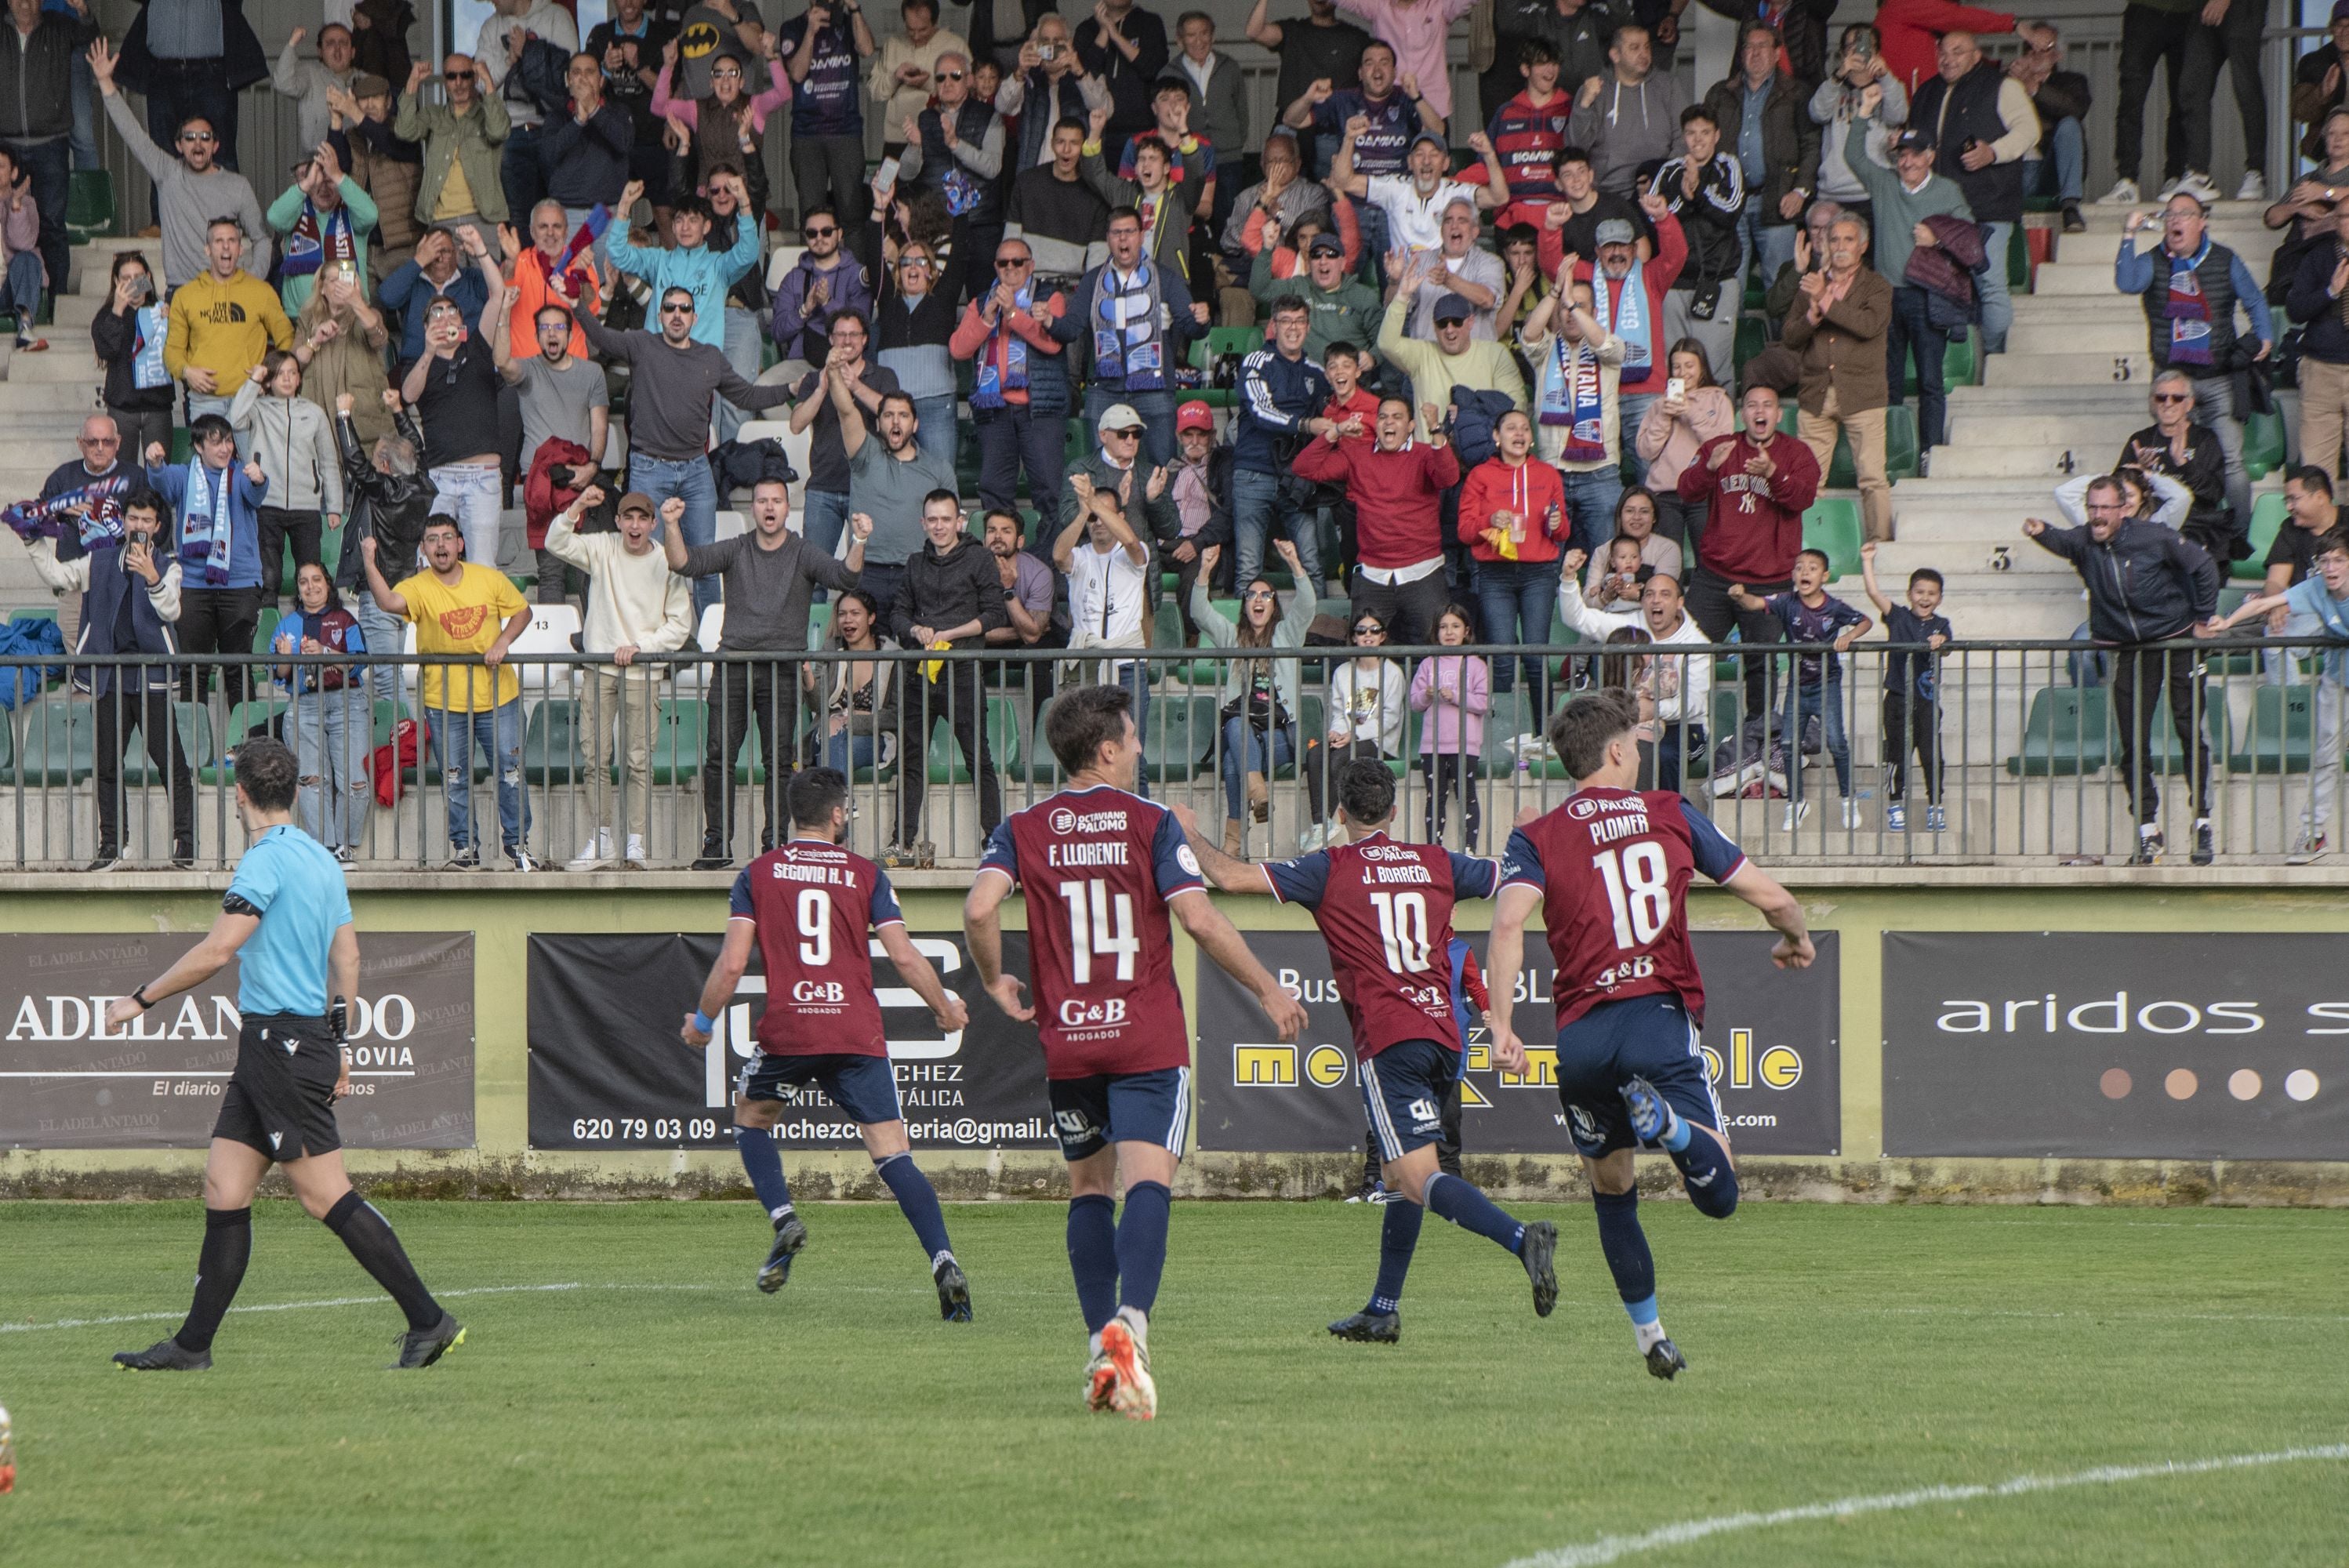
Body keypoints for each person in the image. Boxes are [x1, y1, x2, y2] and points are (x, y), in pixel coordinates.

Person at [964, 681, 1306, 1420]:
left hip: (1070, 1040)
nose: (1142, 750)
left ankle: (1099, 1346)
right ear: (1109, 750)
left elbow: (979, 907)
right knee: (1148, 1182)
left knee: (1088, 1189)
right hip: (1145, 1036)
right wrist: (1269, 991)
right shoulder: (1149, 821)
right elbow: (1201, 921)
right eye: (1134, 738)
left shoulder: (1022, 826)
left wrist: (994, 981)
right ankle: (1133, 1327)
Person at [106, 738, 463, 1374]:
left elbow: (219, 951)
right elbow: (348, 959)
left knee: (325, 1196)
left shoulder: (262, 863)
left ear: (239, 794)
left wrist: (142, 998)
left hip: (282, 1045)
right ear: (296, 792)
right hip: (283, 1045)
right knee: (224, 1185)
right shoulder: (322, 860)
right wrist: (342, 1044)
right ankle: (192, 1348)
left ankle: (428, 1320)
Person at [1487, 688, 1814, 1379]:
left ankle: (1651, 1339)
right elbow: (1773, 898)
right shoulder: (1667, 812)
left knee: (1611, 1191)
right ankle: (1668, 1125)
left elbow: (1510, 924)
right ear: (1614, 751)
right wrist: (1796, 938)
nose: (1639, 755)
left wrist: (1503, 1024)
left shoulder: (1536, 836)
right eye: (1635, 745)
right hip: (1656, 1018)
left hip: (1579, 1040)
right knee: (1720, 1195)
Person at [1178, 757, 1559, 1339]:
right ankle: (1382, 1311)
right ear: (1395, 810)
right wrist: (1534, 830)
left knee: (1415, 1176)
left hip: (1391, 1037)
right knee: (1397, 1171)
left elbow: (1229, 879)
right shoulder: (1437, 862)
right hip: (1442, 1037)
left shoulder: (1328, 868)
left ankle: (1519, 1238)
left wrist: (1189, 833)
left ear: (1339, 813)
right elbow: (1514, 877)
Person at [677, 764, 971, 1308]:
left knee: (751, 1117)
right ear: (837, 815)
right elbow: (904, 956)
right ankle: (944, 1259)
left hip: (791, 1029)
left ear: (793, 816)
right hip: (855, 1031)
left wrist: (703, 1021)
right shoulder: (866, 873)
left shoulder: (759, 873)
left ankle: (785, 1218)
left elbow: (733, 962)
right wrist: (945, 1007)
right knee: (893, 1155)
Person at [2023, 477, 2221, 865]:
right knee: (2132, 741)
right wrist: (2039, 531)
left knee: (2188, 730)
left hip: (2177, 638)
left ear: (2122, 509)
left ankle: (2201, 822)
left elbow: (2204, 567)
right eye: (2092, 508)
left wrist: (2202, 619)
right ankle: (2148, 830)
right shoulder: (2083, 540)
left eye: (2104, 508)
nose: (2097, 516)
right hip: (2128, 648)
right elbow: (2062, 540)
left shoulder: (2153, 536)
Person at [677, 480, 870, 869]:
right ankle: (717, 844)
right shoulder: (737, 547)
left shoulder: (802, 551)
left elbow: (844, 578)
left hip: (782, 669)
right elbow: (685, 563)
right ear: (754, 508)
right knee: (718, 757)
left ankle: (777, 845)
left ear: (787, 507)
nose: (769, 507)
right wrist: (669, 524)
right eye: (762, 500)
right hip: (733, 666)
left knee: (780, 762)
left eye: (777, 501)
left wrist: (860, 540)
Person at [573, 282, 795, 614]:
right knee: (651, 561)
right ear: (660, 315)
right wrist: (576, 303)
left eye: (684, 309)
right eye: (670, 308)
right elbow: (603, 339)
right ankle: (652, 644)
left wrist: (791, 387)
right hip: (650, 470)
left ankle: (710, 644)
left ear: (695, 317)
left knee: (703, 560)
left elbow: (747, 397)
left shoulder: (710, 357)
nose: (677, 315)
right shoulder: (642, 344)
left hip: (696, 470)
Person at [11, 490, 194, 869]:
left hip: (152, 678)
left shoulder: (168, 566)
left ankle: (186, 844)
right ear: (123, 521)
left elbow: (171, 610)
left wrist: (153, 577)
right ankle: (112, 844)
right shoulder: (100, 560)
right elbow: (59, 576)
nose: (139, 527)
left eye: (146, 521)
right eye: (133, 519)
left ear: (158, 527)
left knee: (170, 761)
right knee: (107, 764)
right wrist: (32, 541)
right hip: (109, 677)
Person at [360, 515, 538, 869]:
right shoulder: (418, 585)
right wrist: (368, 561)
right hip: (444, 702)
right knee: (455, 777)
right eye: (432, 539)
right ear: (423, 549)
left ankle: (518, 847)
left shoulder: (489, 578)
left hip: (498, 696)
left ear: (460, 543)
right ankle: (465, 850)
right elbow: (389, 603)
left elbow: (523, 612)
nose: (440, 545)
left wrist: (502, 642)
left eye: (447, 538)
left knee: (511, 772)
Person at [1679, 383, 1819, 791]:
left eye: (1768, 405)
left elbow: (1803, 498)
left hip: (1772, 580)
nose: (1760, 412)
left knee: (1761, 666)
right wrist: (1708, 469)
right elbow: (1686, 490)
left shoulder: (1797, 454)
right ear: (1743, 413)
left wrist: (1773, 474)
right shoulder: (1720, 447)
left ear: (1778, 414)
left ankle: (1759, 748)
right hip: (1715, 577)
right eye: (1752, 405)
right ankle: (1686, 733)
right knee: (1685, 654)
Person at [545, 488, 694, 869]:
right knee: (595, 758)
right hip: (599, 668)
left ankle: (636, 845)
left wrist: (641, 647)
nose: (635, 525)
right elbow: (554, 540)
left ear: (653, 524)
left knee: (638, 762)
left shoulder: (665, 561)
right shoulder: (603, 547)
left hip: (643, 672)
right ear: (618, 521)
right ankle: (602, 842)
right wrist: (578, 505)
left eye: (642, 518)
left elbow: (680, 625)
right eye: (628, 517)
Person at [2114, 196, 2271, 549]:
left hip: (2217, 379)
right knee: (2166, 464)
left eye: (2185, 214)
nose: (2175, 221)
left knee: (2230, 461)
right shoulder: (2154, 260)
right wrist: (2128, 234)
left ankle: (2236, 539)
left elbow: (2255, 300)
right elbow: (2127, 282)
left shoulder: (2224, 259)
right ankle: (2173, 537)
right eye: (2170, 214)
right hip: (2171, 383)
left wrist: (2265, 334)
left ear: (2203, 223)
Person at [2211, 532, 2349, 863]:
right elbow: (2264, 603)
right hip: (2338, 679)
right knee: (2324, 757)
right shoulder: (2316, 588)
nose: (2330, 568)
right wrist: (2227, 621)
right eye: (2325, 561)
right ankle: (2313, 835)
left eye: (2339, 560)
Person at [887, 488, 1007, 862]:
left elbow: (994, 614)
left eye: (945, 519)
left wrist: (951, 634)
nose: (939, 526)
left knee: (979, 759)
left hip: (963, 672)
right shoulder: (914, 563)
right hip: (919, 674)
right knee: (910, 761)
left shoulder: (980, 558)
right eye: (932, 520)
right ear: (923, 523)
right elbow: (897, 614)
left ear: (960, 521)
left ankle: (996, 841)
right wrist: (915, 631)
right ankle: (902, 842)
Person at [1845, 107, 1973, 452]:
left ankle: (1929, 452)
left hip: (1928, 296)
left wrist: (1939, 239)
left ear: (1930, 157)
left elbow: (1972, 238)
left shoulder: (1948, 191)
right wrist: (1861, 113)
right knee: (1888, 383)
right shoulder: (1884, 183)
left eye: (1916, 154)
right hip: (1886, 296)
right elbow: (1853, 155)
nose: (1908, 162)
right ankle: (1891, 452)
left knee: (1931, 381)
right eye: (1902, 155)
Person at [1906, 31, 2035, 356]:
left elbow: (2029, 130)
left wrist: (1993, 152)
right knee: (1936, 288)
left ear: (1977, 56)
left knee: (1990, 286)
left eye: (1958, 51)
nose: (1948, 58)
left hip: (1987, 207)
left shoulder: (2001, 86)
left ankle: (1995, 363)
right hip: (1938, 211)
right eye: (1944, 52)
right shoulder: (1926, 92)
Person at [1294, 391, 1458, 643]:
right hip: (1373, 576)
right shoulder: (1358, 455)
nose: (1388, 422)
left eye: (1397, 417)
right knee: (1363, 656)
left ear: (1411, 426)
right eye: (1383, 417)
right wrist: (1336, 430)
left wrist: (1436, 429)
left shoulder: (1425, 453)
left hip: (1423, 573)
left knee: (1437, 652)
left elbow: (1448, 477)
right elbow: (1305, 467)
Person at [1726, 548, 1870, 829]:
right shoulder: (1786, 601)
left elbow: (1865, 621)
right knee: (1790, 744)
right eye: (1800, 567)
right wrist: (1739, 596)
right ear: (1793, 574)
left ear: (1825, 576)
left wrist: (1849, 636)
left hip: (1826, 684)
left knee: (1837, 742)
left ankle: (1847, 798)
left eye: (1813, 568)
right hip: (1797, 685)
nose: (1805, 572)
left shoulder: (1835, 607)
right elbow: (1756, 603)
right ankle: (1796, 802)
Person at [1054, 203, 1204, 470]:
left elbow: (1191, 327)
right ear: (1108, 238)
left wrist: (1202, 320)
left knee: (1162, 470)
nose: (1123, 239)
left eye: (1129, 232)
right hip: (1106, 390)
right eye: (1116, 233)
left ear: (1142, 235)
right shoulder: (1092, 281)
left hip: (1155, 390)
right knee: (1102, 471)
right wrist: (1048, 321)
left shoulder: (1165, 278)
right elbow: (1071, 330)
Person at [1189, 538, 1314, 856]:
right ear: (1245, 604)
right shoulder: (1233, 636)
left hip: (1283, 734)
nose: (1258, 599)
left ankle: (1233, 840)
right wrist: (1204, 570)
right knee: (1234, 726)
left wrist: (1295, 564)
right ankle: (1256, 791)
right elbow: (1200, 613)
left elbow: (1308, 605)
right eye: (1252, 595)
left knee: (1234, 744)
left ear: (1273, 605)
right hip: (1246, 732)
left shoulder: (1287, 633)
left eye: (1266, 595)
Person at [1557, 550, 1711, 789]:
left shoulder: (1697, 643)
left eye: (1665, 595)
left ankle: (1667, 819)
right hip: (1631, 723)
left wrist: (1653, 709)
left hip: (1684, 727)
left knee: (1662, 755)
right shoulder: (1630, 625)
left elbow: (1696, 703)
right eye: (1649, 594)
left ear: (1680, 603)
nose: (1656, 601)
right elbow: (1578, 619)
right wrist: (1568, 578)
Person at [401, 229, 508, 571]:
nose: (445, 317)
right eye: (437, 313)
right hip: (441, 475)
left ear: (462, 321)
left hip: (483, 475)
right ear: (425, 326)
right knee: (432, 566)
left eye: (452, 312)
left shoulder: (477, 347)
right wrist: (430, 351)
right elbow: (408, 395)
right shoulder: (422, 362)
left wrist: (479, 250)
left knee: (482, 566)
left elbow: (498, 295)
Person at [143, 418, 269, 706]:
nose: (225, 448)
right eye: (216, 442)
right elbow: (162, 481)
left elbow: (256, 494)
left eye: (228, 441)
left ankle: (246, 747)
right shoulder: (184, 475)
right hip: (194, 583)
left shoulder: (241, 475)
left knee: (239, 668)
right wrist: (155, 463)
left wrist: (260, 479)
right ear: (199, 446)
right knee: (193, 669)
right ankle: (194, 747)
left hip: (239, 582)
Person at [1784, 212, 1892, 542]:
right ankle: (1803, 548)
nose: (1840, 247)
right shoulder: (1813, 282)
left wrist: (1825, 299)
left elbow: (1868, 325)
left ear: (1863, 246)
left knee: (1872, 478)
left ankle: (1882, 547)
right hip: (1816, 394)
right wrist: (1811, 316)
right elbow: (1789, 336)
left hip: (1863, 394)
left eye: (1848, 240)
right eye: (1834, 240)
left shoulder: (1877, 286)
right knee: (1807, 483)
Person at [494, 299, 608, 601]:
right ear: (536, 336)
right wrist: (505, 312)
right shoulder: (529, 370)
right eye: (544, 328)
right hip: (541, 484)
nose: (552, 334)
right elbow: (503, 361)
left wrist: (592, 466)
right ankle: (553, 650)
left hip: (582, 480)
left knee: (590, 570)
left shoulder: (592, 373)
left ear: (571, 335)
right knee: (551, 571)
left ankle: (593, 647)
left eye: (559, 327)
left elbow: (599, 426)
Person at [951, 238, 1070, 519]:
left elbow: (1052, 344)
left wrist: (1013, 314)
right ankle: (1000, 556)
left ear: (1031, 265)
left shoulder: (1050, 297)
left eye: (1018, 262)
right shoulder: (982, 302)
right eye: (1003, 262)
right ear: (995, 266)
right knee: (994, 489)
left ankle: (1048, 558)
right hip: (996, 409)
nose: (1010, 268)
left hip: (1038, 409)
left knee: (1048, 489)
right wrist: (988, 316)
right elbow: (958, 349)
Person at [1458, 408, 1567, 707]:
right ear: (1496, 436)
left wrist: (1557, 524)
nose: (1519, 434)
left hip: (1539, 573)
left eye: (1524, 429)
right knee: (1503, 656)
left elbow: (1561, 531)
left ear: (1532, 438)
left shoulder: (1548, 474)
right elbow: (1465, 532)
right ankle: (1504, 740)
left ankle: (1543, 736)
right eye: (1511, 428)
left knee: (1536, 655)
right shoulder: (1480, 476)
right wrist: (1489, 520)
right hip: (1495, 574)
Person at [330, 390, 430, 706]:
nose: (372, 468)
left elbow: (356, 464)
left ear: (385, 466)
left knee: (388, 683)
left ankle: (406, 746)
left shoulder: (386, 490)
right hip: (407, 591)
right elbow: (419, 450)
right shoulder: (422, 485)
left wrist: (344, 418)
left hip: (379, 592)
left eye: (377, 462)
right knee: (394, 675)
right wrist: (399, 411)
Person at [1704, 23, 1816, 298]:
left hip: (1778, 200)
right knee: (1729, 283)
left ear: (1778, 53)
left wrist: (1800, 191)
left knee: (1781, 287)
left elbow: (1812, 144)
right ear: (1741, 54)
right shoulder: (1720, 93)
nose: (1755, 53)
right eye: (1749, 47)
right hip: (1730, 204)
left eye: (1762, 46)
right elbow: (1702, 143)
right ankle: (1729, 343)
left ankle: (1782, 342)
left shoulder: (1797, 92)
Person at [1055, 470, 1155, 780]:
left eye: (1104, 514)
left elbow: (1130, 540)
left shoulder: (1134, 554)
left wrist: (1094, 503)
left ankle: (1139, 828)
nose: (1098, 522)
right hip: (1089, 664)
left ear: (1119, 515)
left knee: (1132, 754)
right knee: (1088, 756)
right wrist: (1084, 510)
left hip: (1127, 665)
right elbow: (1059, 556)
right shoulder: (1080, 556)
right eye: (1093, 518)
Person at [1520, 267, 1624, 556]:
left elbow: (1604, 344)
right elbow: (1529, 334)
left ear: (1594, 311)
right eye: (1565, 308)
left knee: (1606, 560)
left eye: (1579, 306)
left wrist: (1572, 304)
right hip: (1553, 469)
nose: (1570, 312)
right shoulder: (1547, 349)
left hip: (1600, 472)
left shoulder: (1611, 346)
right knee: (1548, 558)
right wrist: (1556, 294)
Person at [269, 559, 368, 858]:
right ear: (298, 589)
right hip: (305, 706)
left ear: (327, 585)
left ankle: (345, 847)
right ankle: (324, 849)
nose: (310, 587)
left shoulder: (345, 619)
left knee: (355, 781)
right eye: (303, 582)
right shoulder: (286, 625)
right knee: (311, 780)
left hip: (346, 703)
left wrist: (326, 652)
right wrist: (287, 657)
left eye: (316, 580)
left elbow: (359, 663)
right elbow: (280, 675)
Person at [835, 378, 954, 615]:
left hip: (917, 571)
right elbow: (847, 412)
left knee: (916, 648)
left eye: (903, 415)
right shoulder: (865, 454)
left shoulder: (939, 468)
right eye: (888, 415)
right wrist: (832, 374)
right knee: (866, 650)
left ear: (916, 424)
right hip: (866, 570)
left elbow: (952, 528)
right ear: (878, 424)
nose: (896, 421)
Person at [164, 216, 292, 437]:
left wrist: (269, 377)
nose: (226, 246)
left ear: (241, 249)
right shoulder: (186, 295)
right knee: (211, 469)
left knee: (253, 469)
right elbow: (172, 351)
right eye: (218, 241)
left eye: (232, 240)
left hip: (251, 399)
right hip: (205, 402)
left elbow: (286, 338)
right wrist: (187, 372)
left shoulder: (261, 292)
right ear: (207, 249)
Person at [1642, 104, 1741, 387]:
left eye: (1705, 133)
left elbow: (1730, 211)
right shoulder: (1670, 170)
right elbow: (1654, 215)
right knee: (1676, 369)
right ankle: (1676, 430)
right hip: (1674, 284)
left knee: (1715, 369)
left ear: (1717, 135)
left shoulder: (1728, 166)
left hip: (1716, 282)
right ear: (1683, 137)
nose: (1698, 140)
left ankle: (1720, 431)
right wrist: (1687, 196)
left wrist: (1697, 192)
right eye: (1691, 133)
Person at [787, 310, 899, 563]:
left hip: (867, 487)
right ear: (830, 339)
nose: (847, 341)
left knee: (865, 571)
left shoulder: (883, 376)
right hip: (823, 487)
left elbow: (893, 416)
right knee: (814, 573)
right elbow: (796, 424)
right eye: (841, 334)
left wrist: (855, 386)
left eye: (854, 334)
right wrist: (822, 388)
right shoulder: (815, 379)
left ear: (865, 340)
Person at [0, 0, 91, 307]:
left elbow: (89, 35)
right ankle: (17, 301)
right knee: (5, 222)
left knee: (52, 225)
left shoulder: (57, 26)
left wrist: (82, 10)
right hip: (7, 147)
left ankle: (57, 302)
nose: (25, 5)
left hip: (50, 144)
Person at [231, 350, 343, 597]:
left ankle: (310, 628)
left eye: (293, 372)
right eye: (280, 373)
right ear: (269, 380)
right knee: (268, 575)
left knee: (310, 574)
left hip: (307, 506)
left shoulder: (314, 412)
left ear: (300, 378)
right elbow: (235, 418)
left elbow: (328, 461)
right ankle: (267, 629)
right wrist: (253, 382)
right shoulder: (257, 409)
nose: (288, 378)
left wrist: (334, 505)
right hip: (266, 503)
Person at [1857, 540, 1948, 835]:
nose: (1925, 598)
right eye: (1919, 592)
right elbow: (1874, 593)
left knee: (1931, 755)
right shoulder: (1898, 617)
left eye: (1931, 594)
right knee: (1897, 754)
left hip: (1926, 701)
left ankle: (1936, 805)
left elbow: (1945, 646)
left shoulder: (1942, 624)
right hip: (1897, 698)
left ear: (1939, 598)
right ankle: (1895, 804)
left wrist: (1940, 642)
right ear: (1910, 594)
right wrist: (1868, 561)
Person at [1374, 274, 1527, 441]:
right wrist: (1402, 297)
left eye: (1457, 322)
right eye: (1442, 323)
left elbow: (1515, 407)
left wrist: (1469, 415)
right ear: (1434, 326)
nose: (1449, 330)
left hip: (1481, 456)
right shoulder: (1422, 353)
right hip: (1430, 458)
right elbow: (1386, 343)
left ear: (1470, 322)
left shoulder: (1495, 353)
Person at [652, 40, 786, 213]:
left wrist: (772, 58)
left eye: (733, 73)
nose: (725, 79)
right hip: (710, 198)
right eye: (718, 73)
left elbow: (783, 94)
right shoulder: (697, 109)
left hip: (747, 199)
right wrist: (668, 66)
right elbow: (658, 107)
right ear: (711, 82)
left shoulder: (755, 105)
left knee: (751, 240)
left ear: (742, 81)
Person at [2115, 371, 2236, 564]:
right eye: (2161, 397)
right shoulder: (2140, 440)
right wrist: (2138, 472)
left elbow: (2214, 493)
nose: (2168, 403)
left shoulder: (2205, 439)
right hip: (2148, 524)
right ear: (2153, 403)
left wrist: (2184, 464)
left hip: (2193, 525)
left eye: (2177, 398)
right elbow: (2116, 492)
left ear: (2189, 404)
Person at [2097, 0, 2208, 207]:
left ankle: (2174, 177)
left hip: (2189, 13)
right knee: (2132, 98)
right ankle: (2127, 180)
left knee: (2183, 99)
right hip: (2145, 10)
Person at [393, 54, 510, 252]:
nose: (459, 83)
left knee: (487, 282)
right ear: (445, 80)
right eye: (451, 76)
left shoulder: (488, 114)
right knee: (446, 283)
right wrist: (413, 82)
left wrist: (489, 82)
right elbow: (404, 131)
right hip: (441, 220)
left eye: (466, 75)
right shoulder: (434, 115)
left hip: (484, 220)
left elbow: (499, 131)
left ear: (475, 78)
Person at [777, 0, 873, 233]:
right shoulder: (793, 27)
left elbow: (867, 49)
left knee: (852, 213)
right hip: (806, 134)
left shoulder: (850, 21)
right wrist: (810, 31)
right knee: (811, 214)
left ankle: (855, 270)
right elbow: (798, 74)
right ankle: (812, 270)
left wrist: (855, 9)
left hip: (846, 131)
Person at [1248, 0, 1374, 177]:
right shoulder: (1292, 29)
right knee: (1283, 196)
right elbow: (1254, 31)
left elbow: (1379, 67)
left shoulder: (1356, 37)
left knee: (1331, 195)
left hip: (1333, 131)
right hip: (1291, 126)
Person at [869, 236, 961, 472]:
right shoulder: (888, 300)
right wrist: (878, 211)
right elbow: (872, 257)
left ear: (931, 271)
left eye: (920, 262)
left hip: (937, 402)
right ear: (898, 271)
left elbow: (960, 258)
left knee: (941, 477)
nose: (912, 267)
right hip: (895, 405)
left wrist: (961, 212)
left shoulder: (943, 299)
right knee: (894, 478)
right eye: (906, 262)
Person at [1568, 24, 1685, 200]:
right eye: (1634, 48)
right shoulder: (1595, 89)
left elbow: (1684, 138)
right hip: (1608, 194)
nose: (1644, 54)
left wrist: (1663, 178)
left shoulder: (1668, 85)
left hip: (1660, 191)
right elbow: (1575, 149)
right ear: (1615, 55)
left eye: (1647, 47)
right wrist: (1584, 104)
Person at [332, 72, 425, 284]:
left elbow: (389, 144)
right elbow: (339, 167)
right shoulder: (353, 136)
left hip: (401, 245)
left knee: (409, 312)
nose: (369, 104)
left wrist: (354, 113)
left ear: (389, 101)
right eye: (363, 99)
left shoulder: (404, 131)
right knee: (362, 312)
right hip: (359, 246)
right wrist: (336, 119)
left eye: (376, 98)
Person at [1809, 24, 1902, 230]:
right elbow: (1816, 113)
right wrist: (1839, 75)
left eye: (1866, 46)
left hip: (1875, 193)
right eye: (1852, 46)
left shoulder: (1888, 87)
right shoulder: (1833, 87)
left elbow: (1899, 115)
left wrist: (1885, 76)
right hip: (1834, 194)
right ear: (1843, 52)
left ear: (1877, 52)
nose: (1860, 51)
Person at [1410, 603, 1488, 848]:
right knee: (1435, 798)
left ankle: (1470, 850)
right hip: (1431, 745)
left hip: (1465, 744)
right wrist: (1427, 694)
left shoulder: (1476, 664)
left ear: (1466, 631)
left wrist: (1454, 695)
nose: (1449, 632)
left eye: (1455, 626)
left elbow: (1483, 702)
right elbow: (1414, 702)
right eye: (1443, 627)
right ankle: (1434, 849)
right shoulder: (1428, 664)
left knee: (1467, 797)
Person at [771, 205, 871, 382]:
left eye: (826, 232)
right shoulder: (794, 277)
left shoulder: (857, 275)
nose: (819, 238)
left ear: (839, 234)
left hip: (848, 364)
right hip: (803, 364)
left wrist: (828, 302)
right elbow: (778, 332)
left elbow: (862, 328)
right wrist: (804, 310)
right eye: (812, 233)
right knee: (764, 387)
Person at [2289, 195, 2349, 485]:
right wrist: (2330, 292)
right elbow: (2295, 310)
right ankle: (2324, 531)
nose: (2346, 222)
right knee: (2317, 474)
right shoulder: (2320, 256)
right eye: (2342, 217)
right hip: (2321, 371)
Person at [92, 252, 175, 460]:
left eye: (138, 276)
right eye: (126, 278)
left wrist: (171, 320)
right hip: (122, 407)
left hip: (158, 405)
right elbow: (106, 351)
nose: (133, 283)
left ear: (147, 276)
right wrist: (118, 310)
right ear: (117, 282)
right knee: (122, 474)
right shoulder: (106, 316)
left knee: (159, 476)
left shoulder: (164, 310)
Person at [2008, 20, 2088, 234]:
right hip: (2015, 171)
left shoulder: (2072, 81)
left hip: (2048, 169)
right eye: (2031, 46)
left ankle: (2069, 205)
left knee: (2070, 125)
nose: (2036, 52)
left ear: (2058, 55)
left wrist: (2033, 87)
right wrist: (2011, 83)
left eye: (2044, 48)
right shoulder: (2007, 82)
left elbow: (2074, 108)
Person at [542, 51, 632, 223]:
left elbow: (624, 143)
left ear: (601, 80)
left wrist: (593, 109)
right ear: (568, 81)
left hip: (610, 212)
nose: (582, 78)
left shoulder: (619, 111)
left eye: (589, 72)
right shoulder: (556, 116)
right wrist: (578, 122)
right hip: (566, 212)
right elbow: (549, 155)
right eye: (576, 72)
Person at [379, 228, 491, 365]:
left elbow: (502, 290)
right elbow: (387, 297)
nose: (439, 258)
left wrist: (481, 255)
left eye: (445, 251)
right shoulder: (413, 281)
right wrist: (419, 260)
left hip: (468, 365)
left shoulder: (471, 278)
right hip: (418, 364)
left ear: (456, 254)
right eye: (432, 253)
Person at [869, 0, 967, 157]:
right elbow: (874, 91)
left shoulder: (954, 45)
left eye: (923, 30)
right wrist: (896, 77)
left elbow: (966, 92)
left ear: (935, 22)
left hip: (938, 138)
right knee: (886, 182)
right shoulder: (893, 44)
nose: (915, 36)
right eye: (910, 29)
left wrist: (928, 83)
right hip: (896, 138)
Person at [1072, 0, 1167, 151]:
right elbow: (1083, 74)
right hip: (1096, 128)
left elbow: (1152, 69)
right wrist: (1104, 31)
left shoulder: (1149, 23)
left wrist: (1115, 34)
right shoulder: (1087, 28)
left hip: (1142, 128)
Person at [274, 23, 356, 150]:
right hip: (317, 158)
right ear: (320, 51)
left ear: (352, 52)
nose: (337, 49)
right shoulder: (310, 73)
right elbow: (283, 83)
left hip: (357, 161)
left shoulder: (365, 80)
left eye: (343, 43)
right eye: (330, 44)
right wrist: (292, 44)